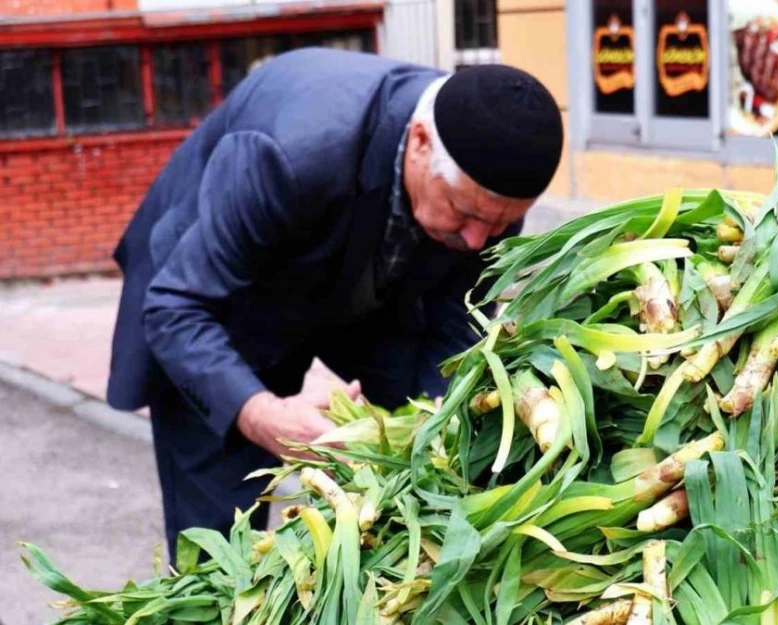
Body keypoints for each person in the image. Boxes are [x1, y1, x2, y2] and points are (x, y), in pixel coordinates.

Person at [103, 48, 564, 558]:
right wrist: (263, 414)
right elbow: (177, 308)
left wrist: (441, 412)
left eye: (499, 225)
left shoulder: (484, 186)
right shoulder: (290, 152)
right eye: (465, 213)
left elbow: (456, 316)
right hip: (223, 305)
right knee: (221, 549)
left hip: (365, 287)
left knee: (424, 471)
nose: (478, 241)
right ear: (419, 142)